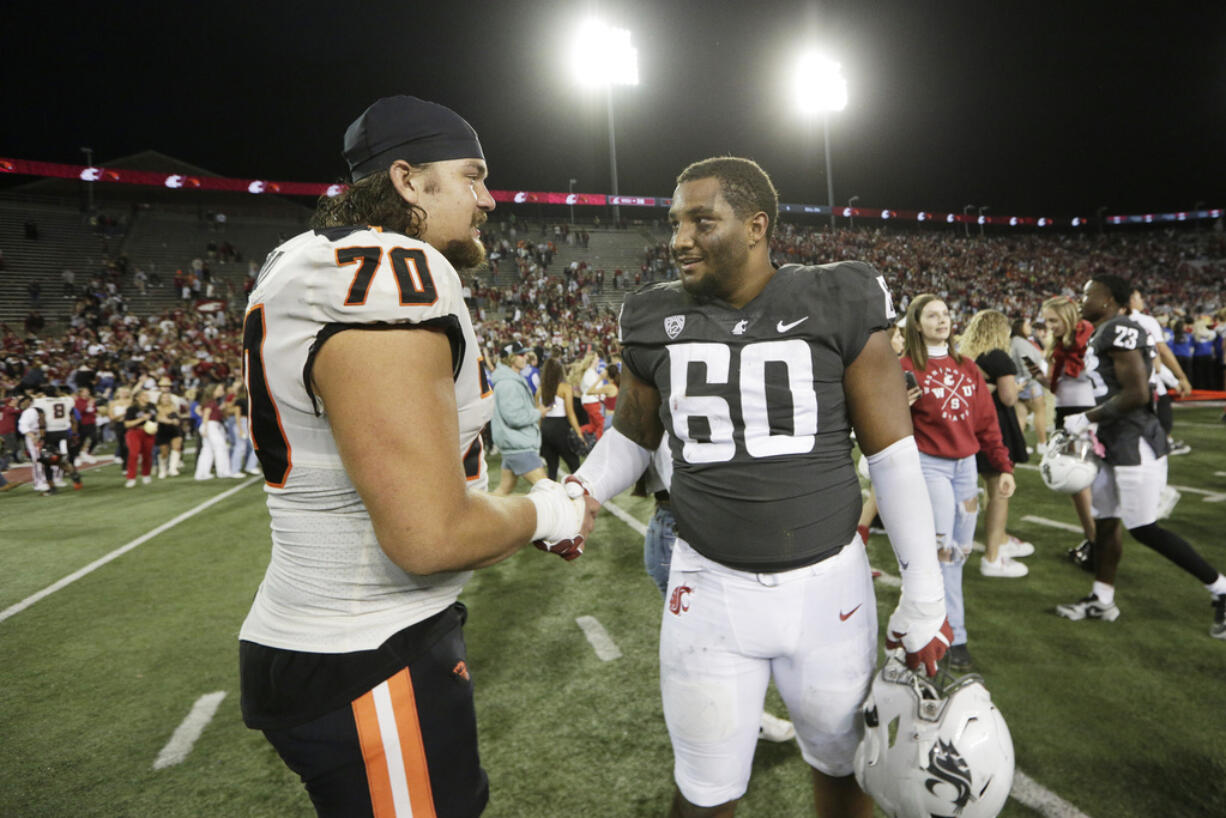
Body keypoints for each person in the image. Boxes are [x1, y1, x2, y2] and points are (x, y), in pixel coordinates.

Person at [236, 95, 596, 818]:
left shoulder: (307, 261)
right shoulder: (385, 271)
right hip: (365, 651)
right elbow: (427, 538)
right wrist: (548, 509)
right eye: (471, 176)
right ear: (407, 181)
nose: (488, 199)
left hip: (335, 641)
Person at [568, 157, 950, 818]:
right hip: (707, 587)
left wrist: (925, 593)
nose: (679, 238)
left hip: (830, 589)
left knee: (844, 772)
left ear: (755, 226)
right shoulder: (654, 315)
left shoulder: (839, 296)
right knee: (705, 792)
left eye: (700, 220)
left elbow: (891, 455)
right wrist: (576, 495)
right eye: (674, 223)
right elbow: (632, 436)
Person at [1056, 274, 1226, 640]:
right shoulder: (1105, 330)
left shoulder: (1118, 328)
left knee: (1143, 527)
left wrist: (1086, 417)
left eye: (1089, 293)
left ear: (1109, 299)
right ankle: (1103, 599)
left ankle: (1221, 589)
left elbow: (1136, 394)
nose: (1082, 298)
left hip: (1134, 442)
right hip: (1112, 442)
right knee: (1105, 521)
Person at [901, 294, 1015, 671]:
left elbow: (986, 422)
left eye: (946, 313)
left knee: (959, 555)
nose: (942, 320)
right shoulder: (902, 367)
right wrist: (899, 405)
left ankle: (944, 631)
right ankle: (950, 635)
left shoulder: (967, 367)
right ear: (917, 324)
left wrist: (1004, 468)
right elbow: (882, 426)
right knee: (941, 553)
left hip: (965, 466)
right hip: (929, 464)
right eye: (932, 315)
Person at [958, 309, 1033, 578]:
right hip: (995, 427)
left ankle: (999, 540)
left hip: (967, 427)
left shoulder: (963, 355)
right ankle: (993, 557)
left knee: (979, 489)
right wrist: (1017, 388)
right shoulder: (998, 356)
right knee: (999, 491)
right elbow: (1009, 397)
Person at [1026, 295, 1097, 568]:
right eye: (1047, 320)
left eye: (1054, 320)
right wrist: (1039, 375)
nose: (1050, 325)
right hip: (1068, 413)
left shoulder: (1085, 342)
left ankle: (1096, 544)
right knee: (1078, 485)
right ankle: (1093, 539)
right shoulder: (1062, 344)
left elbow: (1089, 378)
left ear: (1068, 317)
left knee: (1080, 483)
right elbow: (1059, 386)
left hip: (1084, 414)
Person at [490, 342, 547, 495]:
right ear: (510, 358)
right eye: (521, 354)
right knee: (547, 489)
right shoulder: (509, 384)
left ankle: (478, 518)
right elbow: (514, 417)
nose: (526, 357)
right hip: (519, 446)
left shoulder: (509, 380)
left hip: (512, 443)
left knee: (503, 490)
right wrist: (538, 413)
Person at [537, 355, 586, 480]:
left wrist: (538, 432)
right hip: (560, 428)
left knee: (552, 467)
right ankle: (579, 495)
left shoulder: (540, 390)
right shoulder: (565, 388)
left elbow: (539, 415)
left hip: (546, 428)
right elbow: (570, 414)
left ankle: (549, 497)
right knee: (574, 464)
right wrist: (579, 434)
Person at [1009, 316, 1048, 454]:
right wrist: (1032, 382)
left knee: (1021, 415)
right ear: (1020, 328)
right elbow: (1026, 362)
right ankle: (1043, 444)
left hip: (1019, 382)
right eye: (1027, 326)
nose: (1030, 328)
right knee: (1039, 411)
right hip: (1029, 382)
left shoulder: (1015, 342)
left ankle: (1019, 446)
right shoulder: (1021, 343)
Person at [193, 383, 234, 480]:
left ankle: (201, 474)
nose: (221, 392)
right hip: (211, 426)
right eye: (219, 390)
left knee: (207, 450)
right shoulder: (211, 402)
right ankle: (223, 471)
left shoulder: (210, 402)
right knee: (221, 448)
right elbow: (206, 415)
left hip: (209, 425)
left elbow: (204, 412)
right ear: (213, 391)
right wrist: (205, 428)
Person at [123, 390, 158, 487]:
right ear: (138, 397)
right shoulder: (132, 408)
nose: (147, 396)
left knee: (147, 454)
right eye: (144, 395)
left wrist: (155, 426)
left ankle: (146, 475)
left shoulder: (152, 406)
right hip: (135, 431)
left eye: (147, 395)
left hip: (149, 432)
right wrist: (142, 419)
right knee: (134, 454)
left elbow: (155, 418)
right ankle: (131, 477)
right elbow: (127, 424)